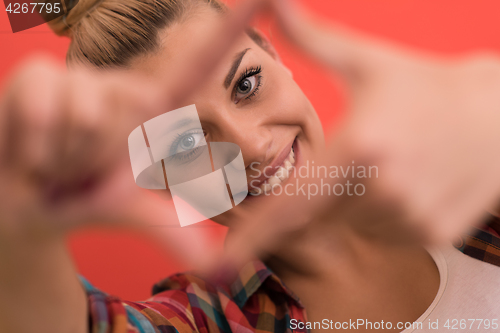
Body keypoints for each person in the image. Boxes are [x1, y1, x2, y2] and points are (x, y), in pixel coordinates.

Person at [1, 0, 500, 333]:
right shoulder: (208, 321)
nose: (253, 147)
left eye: (246, 84)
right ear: (155, 182)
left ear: (272, 52)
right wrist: (17, 236)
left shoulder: (469, 183)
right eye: (186, 146)